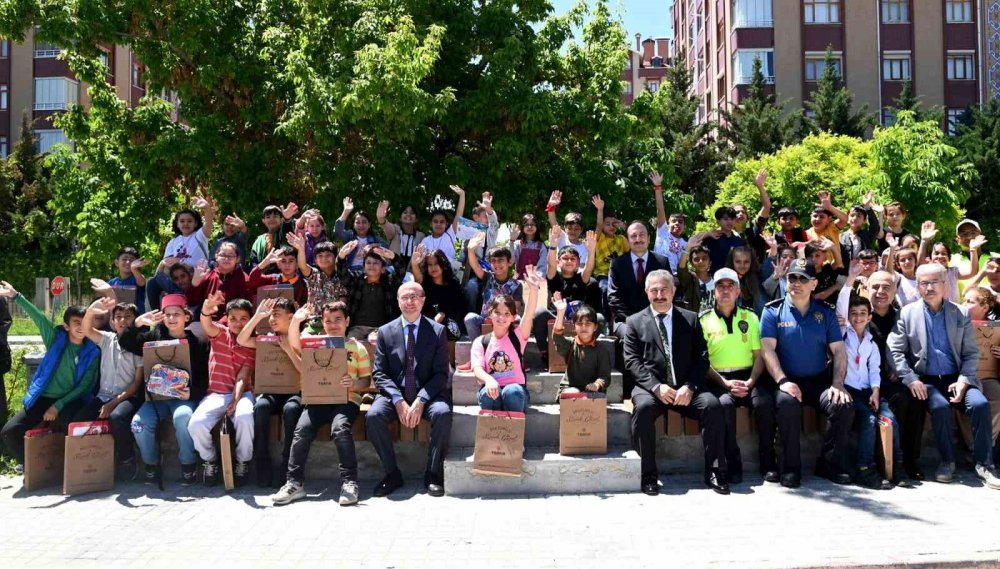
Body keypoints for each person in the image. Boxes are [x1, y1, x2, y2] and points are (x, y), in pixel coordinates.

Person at [887, 263, 1000, 488]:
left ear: (945, 285)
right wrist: (910, 378)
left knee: (979, 404)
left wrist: (964, 380)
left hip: (956, 377)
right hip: (926, 380)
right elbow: (895, 350)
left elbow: (971, 353)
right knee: (940, 407)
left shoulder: (959, 313)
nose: (929, 287)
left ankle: (985, 465)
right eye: (924, 283)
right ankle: (947, 461)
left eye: (934, 282)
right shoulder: (907, 313)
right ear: (918, 286)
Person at [624, 270, 728, 495]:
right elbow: (632, 362)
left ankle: (714, 471)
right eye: (654, 290)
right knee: (641, 410)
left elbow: (702, 357)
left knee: (712, 406)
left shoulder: (690, 319)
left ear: (673, 291)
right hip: (651, 388)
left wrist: (690, 386)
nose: (659, 295)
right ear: (646, 292)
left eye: (664, 290)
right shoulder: (633, 322)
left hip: (685, 388)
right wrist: (655, 387)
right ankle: (648, 474)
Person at [760, 259, 854, 488]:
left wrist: (838, 385)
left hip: (819, 381)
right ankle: (791, 468)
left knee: (843, 405)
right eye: (792, 277)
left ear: (814, 284)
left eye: (803, 279)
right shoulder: (772, 311)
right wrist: (782, 381)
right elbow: (767, 349)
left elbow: (839, 351)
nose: (797, 283)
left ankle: (828, 464)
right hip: (787, 381)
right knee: (787, 405)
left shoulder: (826, 313)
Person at [271, 301, 372, 506]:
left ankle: (350, 483)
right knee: (302, 430)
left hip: (346, 400)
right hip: (317, 400)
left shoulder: (357, 347)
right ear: (322, 323)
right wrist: (297, 320)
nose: (333, 324)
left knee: (340, 429)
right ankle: (294, 483)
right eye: (328, 321)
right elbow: (296, 348)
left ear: (347, 321)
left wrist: (353, 384)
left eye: (338, 320)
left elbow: (366, 381)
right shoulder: (315, 344)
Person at [0, 282, 100, 475]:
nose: (81, 327)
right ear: (66, 326)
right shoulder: (55, 338)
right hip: (43, 397)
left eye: (84, 322)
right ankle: (32, 468)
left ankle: (65, 468)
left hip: (70, 399)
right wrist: (16, 295)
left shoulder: (93, 350)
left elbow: (84, 386)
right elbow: (38, 317)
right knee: (9, 432)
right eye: (76, 323)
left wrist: (58, 405)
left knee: (67, 420)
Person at [366, 282, 453, 498]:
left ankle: (433, 473)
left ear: (423, 300)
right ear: (397, 301)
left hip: (428, 394)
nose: (409, 302)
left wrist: (421, 399)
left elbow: (441, 374)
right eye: (404, 297)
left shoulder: (437, 330)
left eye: (414, 296)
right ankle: (392, 473)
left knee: (443, 413)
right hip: (396, 393)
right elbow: (380, 373)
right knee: (373, 416)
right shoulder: (386, 332)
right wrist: (397, 400)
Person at [122, 294, 210, 486]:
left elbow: (205, 378)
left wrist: (192, 394)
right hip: (156, 398)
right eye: (167, 314)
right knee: (138, 424)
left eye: (176, 314)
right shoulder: (154, 336)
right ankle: (151, 464)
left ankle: (188, 465)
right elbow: (126, 343)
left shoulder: (197, 343)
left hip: (182, 397)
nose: (171, 318)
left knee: (182, 417)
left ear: (186, 317)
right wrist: (137, 323)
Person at [701, 268, 778, 485]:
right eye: (720, 286)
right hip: (719, 380)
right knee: (723, 406)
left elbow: (759, 355)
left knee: (765, 404)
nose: (725, 291)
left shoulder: (751, 317)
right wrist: (724, 383)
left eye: (730, 286)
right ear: (713, 291)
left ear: (738, 291)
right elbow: (702, 361)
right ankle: (732, 464)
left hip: (750, 376)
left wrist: (751, 381)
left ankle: (768, 463)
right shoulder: (703, 320)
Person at [187, 292, 256, 487]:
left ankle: (243, 461)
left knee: (244, 417)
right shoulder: (220, 333)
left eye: (244, 319)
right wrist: (206, 312)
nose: (237, 323)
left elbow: (243, 376)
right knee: (196, 424)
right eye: (233, 318)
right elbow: (207, 324)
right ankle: (210, 460)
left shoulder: (253, 343)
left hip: (242, 393)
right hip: (216, 394)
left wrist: (235, 400)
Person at [74, 298, 144, 480]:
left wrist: (114, 403)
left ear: (136, 321)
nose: (122, 320)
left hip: (127, 397)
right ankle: (88, 463)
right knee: (78, 422)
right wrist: (91, 310)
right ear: (112, 322)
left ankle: (127, 458)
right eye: (118, 317)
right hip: (104, 396)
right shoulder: (107, 339)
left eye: (128, 317)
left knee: (117, 417)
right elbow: (87, 329)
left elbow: (136, 384)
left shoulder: (139, 345)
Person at [236, 297, 302, 487]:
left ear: (290, 317)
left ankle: (287, 465)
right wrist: (258, 316)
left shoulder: (299, 336)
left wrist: (288, 347)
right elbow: (242, 339)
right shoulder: (265, 339)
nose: (272, 319)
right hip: (270, 391)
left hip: (293, 391)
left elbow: (304, 367)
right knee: (261, 407)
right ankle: (262, 462)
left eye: (277, 315)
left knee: (291, 410)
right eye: (271, 315)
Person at [834, 291, 897, 490]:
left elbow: (874, 369)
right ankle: (864, 467)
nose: (858, 317)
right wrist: (851, 278)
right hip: (848, 388)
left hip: (866, 390)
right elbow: (842, 302)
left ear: (870, 317)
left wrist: (875, 391)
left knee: (889, 417)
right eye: (854, 313)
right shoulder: (843, 333)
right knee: (868, 419)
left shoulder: (871, 342)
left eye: (863, 313)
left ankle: (895, 466)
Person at [607, 220, 671, 392]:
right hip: (625, 319)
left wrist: (652, 319)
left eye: (642, 235)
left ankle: (660, 380)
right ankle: (629, 386)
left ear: (649, 238)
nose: (638, 239)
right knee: (629, 334)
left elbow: (669, 293)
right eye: (633, 236)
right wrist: (636, 322)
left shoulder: (662, 262)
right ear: (628, 240)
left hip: (658, 316)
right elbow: (613, 298)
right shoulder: (618, 264)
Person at [471, 271, 542, 412]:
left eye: (506, 314)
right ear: (490, 313)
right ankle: (493, 432)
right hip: (491, 389)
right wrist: (489, 380)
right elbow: (477, 369)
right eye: (497, 312)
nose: (501, 317)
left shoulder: (518, 336)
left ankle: (514, 432)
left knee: (511, 392)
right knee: (486, 394)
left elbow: (528, 314)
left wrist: (533, 290)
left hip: (516, 391)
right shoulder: (481, 342)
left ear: (513, 317)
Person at [534, 227, 601, 369]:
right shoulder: (554, 276)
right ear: (559, 262)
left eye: (573, 259)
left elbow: (589, 268)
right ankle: (545, 353)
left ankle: (588, 352)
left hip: (578, 318)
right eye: (565, 258)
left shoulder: (581, 277)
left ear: (578, 263)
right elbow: (550, 264)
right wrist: (552, 245)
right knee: (539, 313)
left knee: (599, 318)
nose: (569, 261)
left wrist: (591, 250)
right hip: (557, 317)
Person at [147, 197, 217, 309]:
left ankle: (184, 302)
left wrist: (207, 209)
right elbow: (166, 266)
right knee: (152, 282)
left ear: (195, 223)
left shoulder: (200, 236)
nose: (186, 224)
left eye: (190, 221)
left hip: (197, 279)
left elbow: (209, 223)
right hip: (178, 281)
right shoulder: (173, 242)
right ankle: (157, 317)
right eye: (182, 221)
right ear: (177, 224)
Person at [337, 242, 407, 340]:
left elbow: (401, 270)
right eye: (368, 263)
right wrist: (341, 256)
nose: (371, 266)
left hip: (380, 329)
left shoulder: (389, 283)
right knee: (350, 348)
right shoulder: (356, 281)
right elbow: (342, 273)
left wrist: (392, 256)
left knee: (376, 345)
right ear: (364, 267)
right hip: (357, 328)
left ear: (383, 268)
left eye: (375, 263)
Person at [464, 236, 522, 340]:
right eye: (493, 261)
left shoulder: (516, 285)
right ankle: (478, 348)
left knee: (518, 319)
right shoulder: (487, 277)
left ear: (509, 262)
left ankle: (513, 349)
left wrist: (501, 317)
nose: (497, 264)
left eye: (500, 260)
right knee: (470, 318)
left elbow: (516, 309)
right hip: (485, 320)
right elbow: (475, 266)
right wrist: (470, 250)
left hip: (506, 321)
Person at [552, 294, 610, 398]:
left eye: (588, 324)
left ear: (595, 327)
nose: (583, 327)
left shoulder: (601, 349)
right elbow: (557, 337)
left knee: (596, 397)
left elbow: (605, 376)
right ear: (574, 327)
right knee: (573, 393)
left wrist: (596, 384)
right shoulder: (570, 344)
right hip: (570, 388)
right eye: (579, 323)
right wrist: (560, 312)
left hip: (592, 390)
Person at [918, 220, 986, 303]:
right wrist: (924, 241)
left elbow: (972, 272)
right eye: (936, 253)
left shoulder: (953, 271)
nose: (940, 256)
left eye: (944, 254)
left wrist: (972, 250)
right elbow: (920, 265)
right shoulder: (928, 272)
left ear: (949, 258)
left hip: (954, 312)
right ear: (930, 257)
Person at [410, 246, 466, 340]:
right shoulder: (425, 284)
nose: (433, 267)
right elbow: (418, 278)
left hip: (450, 325)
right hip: (427, 324)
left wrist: (443, 316)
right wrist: (415, 264)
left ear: (443, 265)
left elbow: (459, 309)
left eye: (436, 264)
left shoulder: (453, 284)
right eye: (429, 265)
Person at [285, 233, 348, 314]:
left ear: (335, 257)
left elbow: (343, 303)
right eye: (320, 256)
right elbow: (302, 266)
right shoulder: (314, 274)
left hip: (332, 320)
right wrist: (301, 249)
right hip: (313, 319)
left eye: (328, 255)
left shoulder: (342, 276)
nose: (324, 258)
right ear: (315, 260)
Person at [419, 185, 473, 273]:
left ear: (446, 224)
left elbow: (459, 214)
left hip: (449, 275)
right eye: (435, 221)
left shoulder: (450, 234)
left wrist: (462, 195)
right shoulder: (425, 241)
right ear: (431, 224)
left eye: (442, 222)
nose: (438, 224)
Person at [335, 198, 389, 270]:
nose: (361, 225)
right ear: (353, 225)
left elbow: (386, 246)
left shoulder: (374, 238)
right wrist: (346, 212)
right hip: (351, 270)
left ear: (369, 225)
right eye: (357, 222)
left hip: (369, 270)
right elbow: (338, 233)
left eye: (364, 222)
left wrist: (373, 246)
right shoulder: (350, 236)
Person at [591, 194, 629, 297]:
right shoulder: (599, 238)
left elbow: (633, 248)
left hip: (620, 274)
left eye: (614, 224)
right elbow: (599, 225)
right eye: (607, 224)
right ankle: (605, 313)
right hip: (603, 274)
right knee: (604, 289)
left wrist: (625, 226)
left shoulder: (621, 239)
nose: (611, 226)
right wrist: (600, 209)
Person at [732, 168, 772, 262]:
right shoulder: (727, 236)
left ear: (747, 217)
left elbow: (767, 206)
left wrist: (760, 186)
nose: (740, 214)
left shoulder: (755, 230)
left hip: (758, 273)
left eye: (743, 212)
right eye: (736, 212)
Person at [249, 203, 298, 270]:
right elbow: (253, 262)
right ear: (263, 221)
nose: (271, 219)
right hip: (263, 277)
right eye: (268, 217)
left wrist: (287, 219)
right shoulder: (259, 241)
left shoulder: (284, 233)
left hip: (283, 276)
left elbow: (287, 230)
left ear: (281, 220)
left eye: (275, 216)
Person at [376, 200, 425, 268]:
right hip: (392, 270)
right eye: (405, 212)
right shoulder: (395, 230)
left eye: (412, 213)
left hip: (412, 273)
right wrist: (380, 218)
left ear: (416, 219)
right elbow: (385, 225)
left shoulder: (421, 236)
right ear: (400, 218)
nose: (408, 215)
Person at [696, 206, 746, 272]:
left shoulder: (739, 241)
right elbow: (694, 241)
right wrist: (707, 234)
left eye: (732, 219)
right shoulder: (711, 238)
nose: (730, 222)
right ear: (718, 221)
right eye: (726, 219)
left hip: (733, 277)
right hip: (714, 276)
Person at [840, 196, 882, 263]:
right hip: (846, 271)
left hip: (864, 269)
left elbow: (875, 226)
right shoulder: (841, 236)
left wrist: (867, 207)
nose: (855, 218)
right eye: (852, 215)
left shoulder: (866, 235)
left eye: (859, 216)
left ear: (864, 220)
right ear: (847, 218)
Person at [108, 246, 148, 313]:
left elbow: (142, 282)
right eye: (124, 259)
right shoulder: (112, 282)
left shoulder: (137, 278)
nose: (128, 262)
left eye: (132, 260)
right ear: (116, 263)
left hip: (137, 318)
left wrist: (133, 268)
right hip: (118, 319)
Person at [510, 214, 548, 278]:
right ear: (522, 227)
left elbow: (542, 267)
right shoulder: (517, 244)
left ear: (536, 226)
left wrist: (535, 279)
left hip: (536, 281)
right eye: (526, 225)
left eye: (532, 224)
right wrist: (511, 241)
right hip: (519, 281)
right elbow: (511, 261)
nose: (529, 227)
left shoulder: (542, 246)